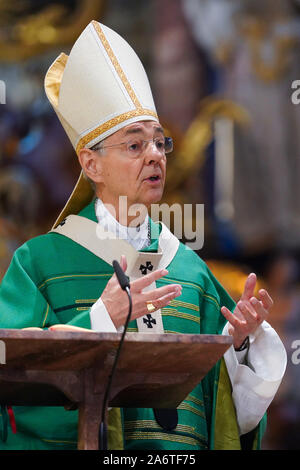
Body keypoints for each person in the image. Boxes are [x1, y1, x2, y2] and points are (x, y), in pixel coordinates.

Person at [0, 21, 286, 450]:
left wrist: (242, 348)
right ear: (91, 164)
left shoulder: (191, 271)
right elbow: (11, 380)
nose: (154, 155)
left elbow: (224, 414)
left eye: (160, 142)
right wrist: (101, 321)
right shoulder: (40, 263)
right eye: (135, 145)